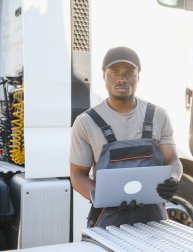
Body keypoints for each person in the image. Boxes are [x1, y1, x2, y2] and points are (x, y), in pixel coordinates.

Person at [70, 46, 183, 228]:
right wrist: (105, 196)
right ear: (103, 75)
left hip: (154, 218)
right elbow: (77, 176)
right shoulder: (86, 122)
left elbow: (173, 160)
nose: (122, 79)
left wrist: (174, 179)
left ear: (139, 75)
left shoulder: (158, 115)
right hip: (108, 218)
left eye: (129, 72)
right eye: (114, 72)